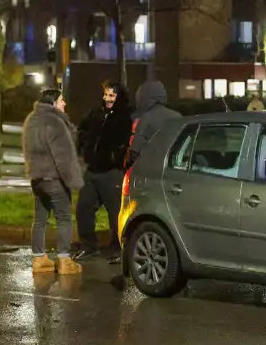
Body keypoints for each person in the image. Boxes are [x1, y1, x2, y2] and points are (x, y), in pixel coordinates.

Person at [22, 88, 85, 275]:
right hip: (55, 179)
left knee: (40, 218)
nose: (64, 103)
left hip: (37, 178)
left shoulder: (31, 120)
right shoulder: (55, 123)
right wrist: (75, 181)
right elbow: (64, 157)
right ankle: (65, 260)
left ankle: (39, 258)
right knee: (64, 218)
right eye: (61, 100)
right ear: (53, 103)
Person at [74, 80, 133, 264]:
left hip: (112, 172)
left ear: (119, 97)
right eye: (106, 94)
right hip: (92, 170)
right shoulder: (96, 113)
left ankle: (119, 249)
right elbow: (81, 130)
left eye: (111, 95)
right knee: (83, 207)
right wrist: (83, 147)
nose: (107, 99)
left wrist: (115, 157)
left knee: (115, 212)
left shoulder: (125, 117)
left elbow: (126, 144)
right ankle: (89, 246)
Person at [125, 80, 181, 169]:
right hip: (174, 166)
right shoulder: (177, 117)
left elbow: (135, 149)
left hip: (150, 168)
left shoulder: (145, 120)